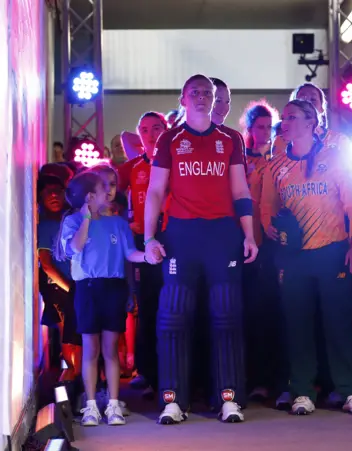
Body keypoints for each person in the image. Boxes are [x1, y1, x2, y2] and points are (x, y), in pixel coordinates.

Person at [143, 74, 258, 424]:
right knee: (174, 317)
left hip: (223, 235)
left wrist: (249, 236)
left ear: (215, 99)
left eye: (207, 93)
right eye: (195, 92)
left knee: (227, 316)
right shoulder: (170, 138)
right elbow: (156, 191)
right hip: (181, 235)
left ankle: (229, 398)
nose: (201, 98)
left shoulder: (231, 138)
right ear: (183, 98)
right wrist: (150, 238)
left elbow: (240, 191)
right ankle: (173, 400)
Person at [260, 99, 352, 416]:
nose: (285, 123)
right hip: (294, 258)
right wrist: (271, 229)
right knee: (298, 326)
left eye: (292, 117)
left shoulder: (334, 157)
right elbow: (267, 208)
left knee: (339, 324)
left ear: (311, 122)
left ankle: (351, 390)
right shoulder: (276, 165)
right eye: (284, 118)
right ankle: (302, 391)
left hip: (333, 250)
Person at [56, 169, 152, 426]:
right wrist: (87, 217)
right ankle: (90, 406)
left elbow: (130, 253)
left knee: (110, 349)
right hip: (86, 287)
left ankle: (112, 404)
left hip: (113, 286)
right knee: (90, 348)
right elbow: (74, 248)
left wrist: (148, 256)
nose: (109, 191)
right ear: (89, 196)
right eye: (103, 188)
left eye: (110, 186)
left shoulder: (119, 223)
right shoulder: (73, 222)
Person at [117, 111, 168, 398]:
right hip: (142, 242)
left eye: (157, 128)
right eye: (145, 129)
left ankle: (176, 373)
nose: (150, 134)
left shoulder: (174, 163)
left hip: (171, 239)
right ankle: (147, 372)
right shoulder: (133, 166)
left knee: (173, 307)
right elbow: (104, 186)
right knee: (146, 306)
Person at [238, 101, 283, 402]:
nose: (264, 132)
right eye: (259, 127)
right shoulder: (240, 160)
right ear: (250, 129)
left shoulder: (280, 158)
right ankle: (254, 380)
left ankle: (278, 380)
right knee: (250, 314)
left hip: (275, 242)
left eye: (269, 127)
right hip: (247, 242)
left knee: (276, 314)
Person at [37, 175, 83, 381]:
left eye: (58, 190)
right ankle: (73, 375)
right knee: (70, 331)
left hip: (77, 282)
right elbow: (46, 264)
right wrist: (70, 288)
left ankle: (77, 376)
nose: (54, 195)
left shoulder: (74, 219)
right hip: (60, 286)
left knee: (77, 331)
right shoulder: (45, 226)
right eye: (48, 192)